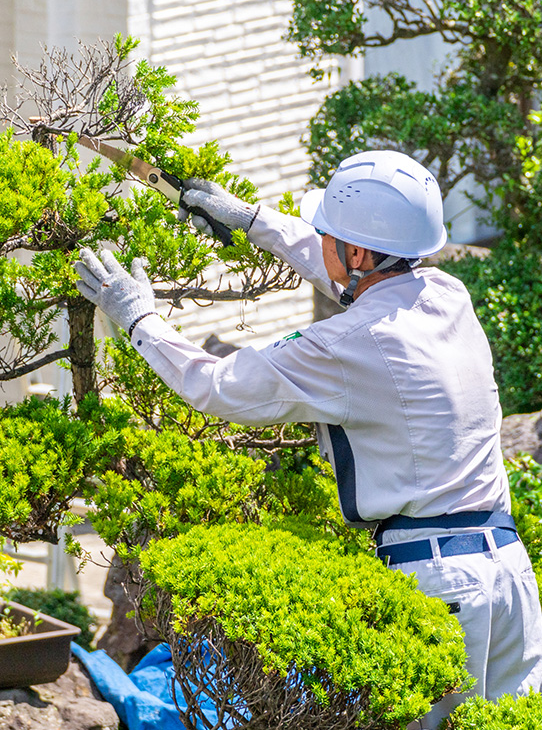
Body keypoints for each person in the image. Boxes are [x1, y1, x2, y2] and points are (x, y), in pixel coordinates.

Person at [74, 150, 542, 727]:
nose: (319, 239)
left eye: (328, 232)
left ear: (360, 252)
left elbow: (217, 385)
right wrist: (249, 220)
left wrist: (139, 318)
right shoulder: (446, 294)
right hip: (510, 574)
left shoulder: (347, 345)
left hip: (438, 586)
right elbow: (355, 278)